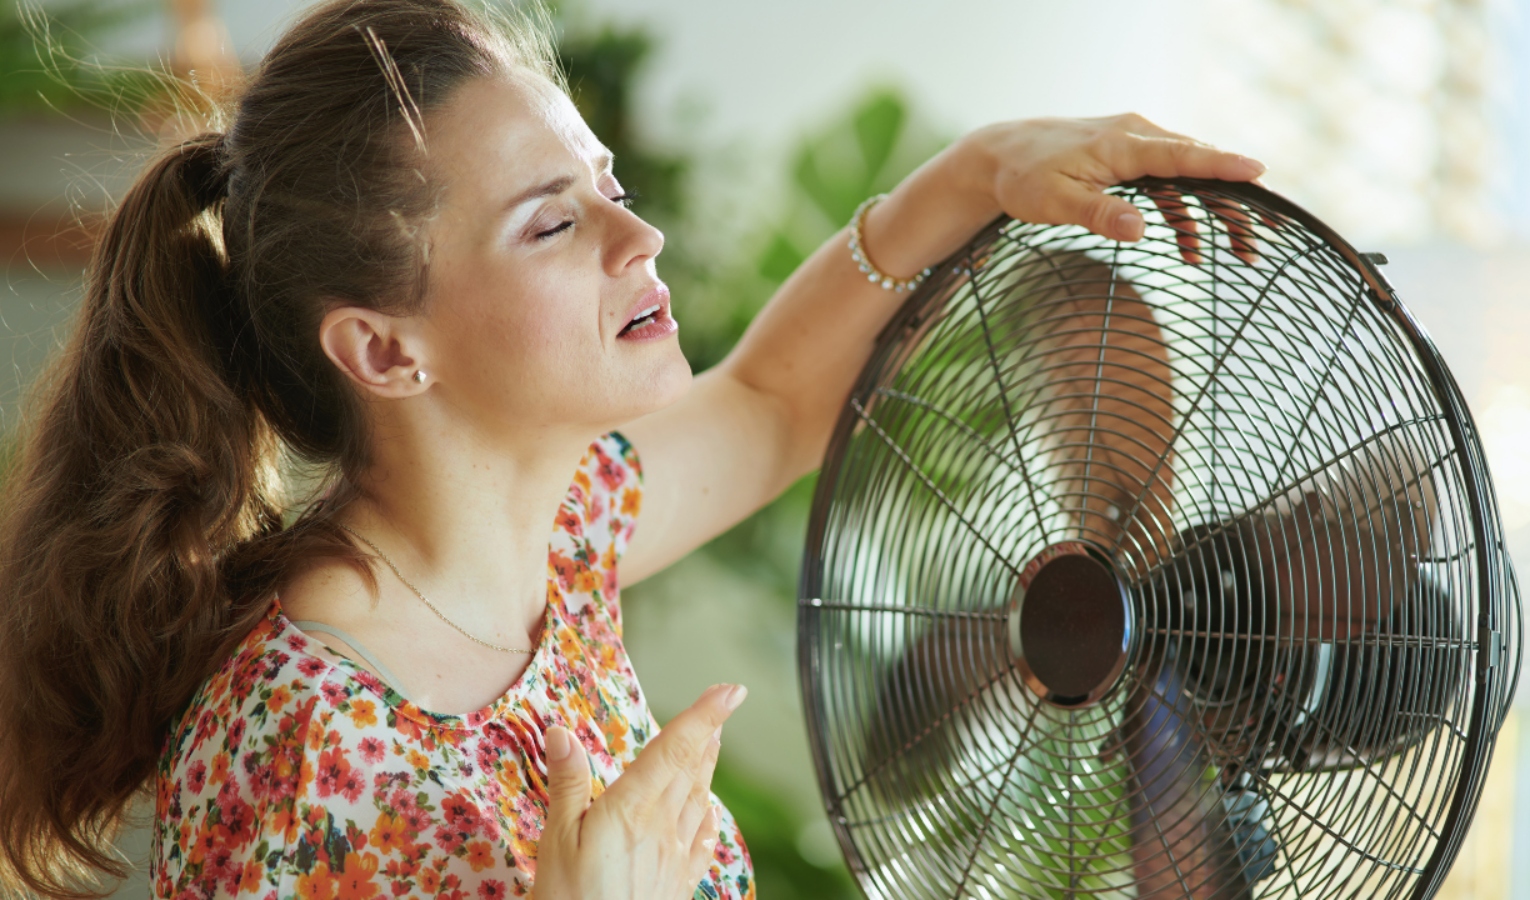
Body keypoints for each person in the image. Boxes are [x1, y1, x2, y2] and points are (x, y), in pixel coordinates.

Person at [0, 0, 1265, 897]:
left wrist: (985, 169)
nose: (637, 236)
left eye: (606, 181)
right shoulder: (294, 750)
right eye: (553, 224)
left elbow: (773, 401)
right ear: (386, 352)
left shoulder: (561, 532)